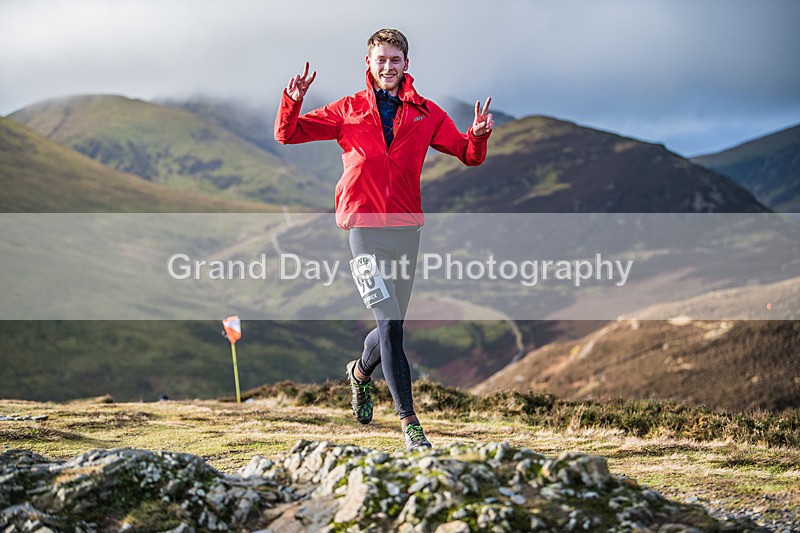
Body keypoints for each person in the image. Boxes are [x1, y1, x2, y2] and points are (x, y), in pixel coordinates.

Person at [274, 28, 493, 451]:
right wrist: (293, 100)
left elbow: (468, 155)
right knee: (389, 324)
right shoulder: (348, 109)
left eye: (395, 60)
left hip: (407, 231)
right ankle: (410, 425)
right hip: (363, 230)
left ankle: (359, 373)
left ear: (406, 64)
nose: (388, 67)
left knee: (391, 326)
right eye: (381, 60)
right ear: (369, 64)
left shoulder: (427, 114)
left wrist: (479, 135)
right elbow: (288, 133)